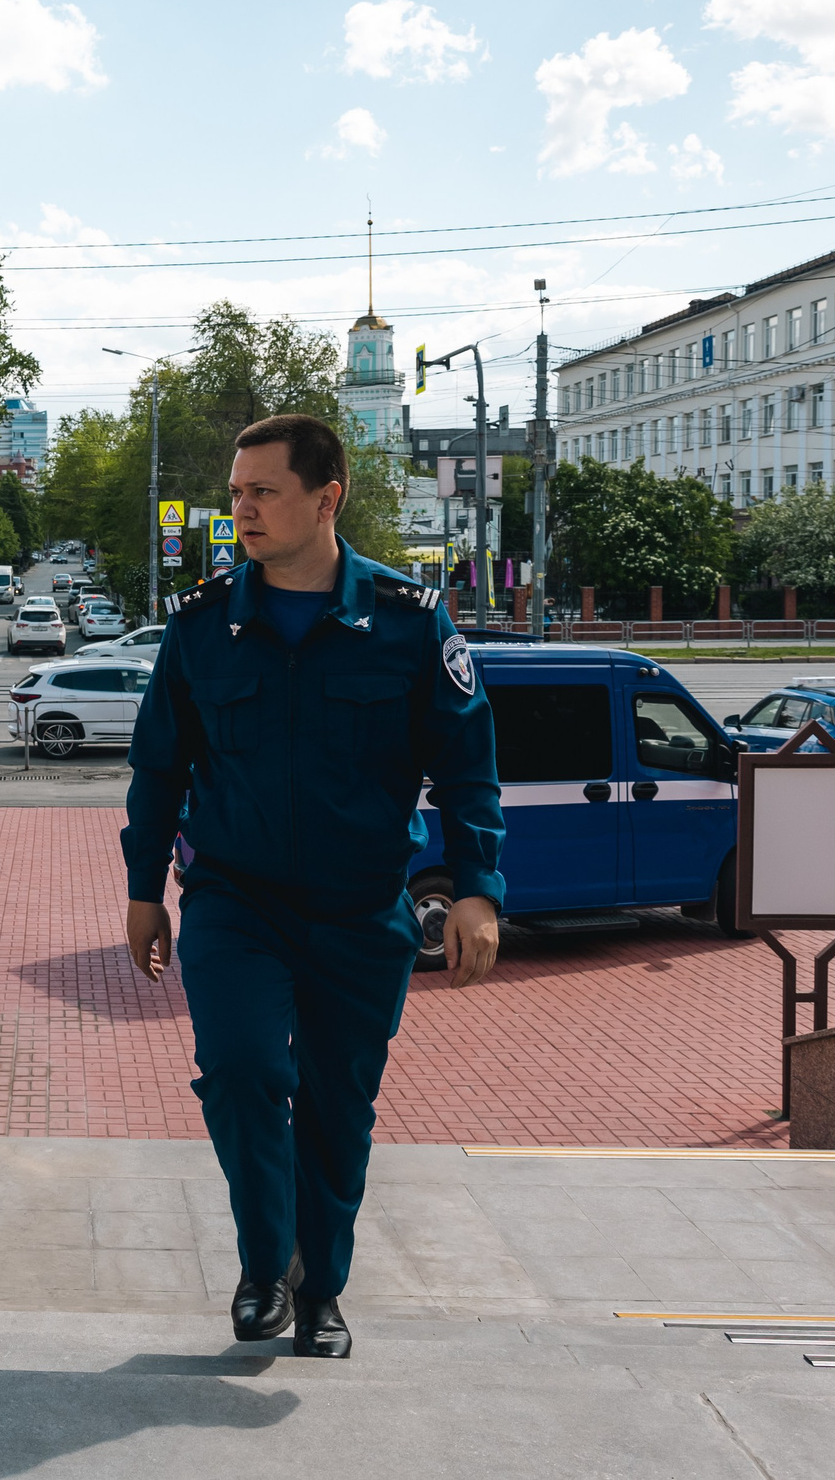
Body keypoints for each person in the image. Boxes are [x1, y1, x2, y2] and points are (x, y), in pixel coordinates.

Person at [121, 414, 504, 1359]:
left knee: (337, 1107)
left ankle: (320, 1286)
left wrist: (479, 887)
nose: (240, 509)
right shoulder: (206, 623)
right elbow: (158, 765)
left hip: (359, 908)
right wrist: (142, 888)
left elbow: (468, 765)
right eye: (236, 491)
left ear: (326, 498)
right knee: (247, 1074)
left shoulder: (411, 623)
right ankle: (267, 1265)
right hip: (235, 901)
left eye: (263, 491)